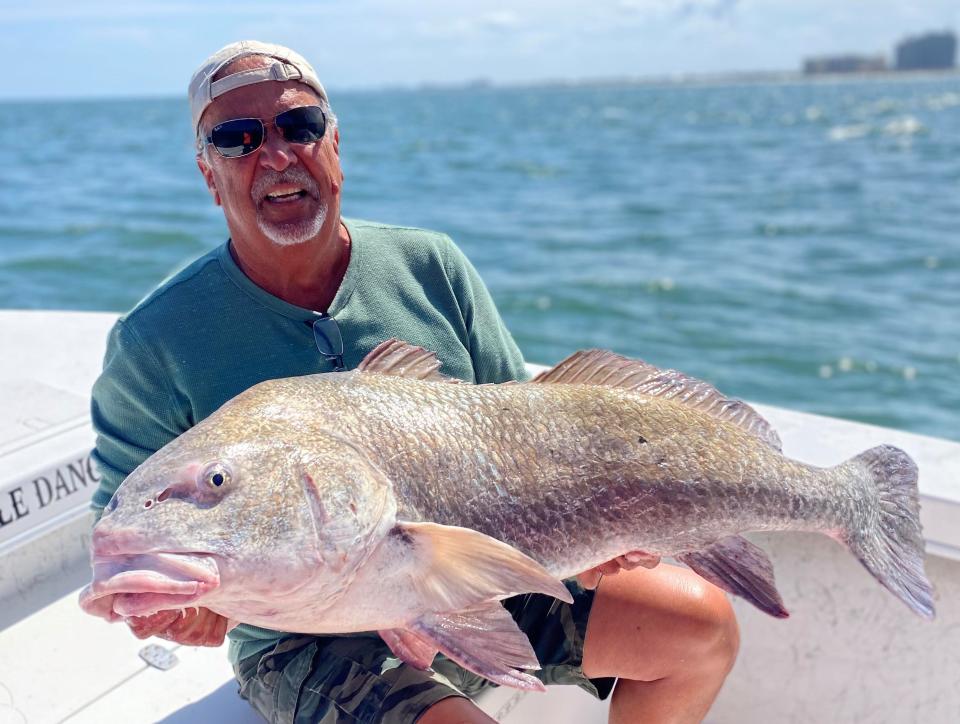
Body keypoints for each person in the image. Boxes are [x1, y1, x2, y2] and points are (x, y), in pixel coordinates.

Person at [89, 40, 739, 724]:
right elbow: (128, 529)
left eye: (300, 127)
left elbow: (526, 426)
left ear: (335, 144)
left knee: (701, 626)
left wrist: (598, 529)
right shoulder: (153, 343)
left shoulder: (431, 263)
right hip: (304, 637)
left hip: (471, 579)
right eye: (237, 138)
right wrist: (189, 610)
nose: (276, 155)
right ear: (208, 174)